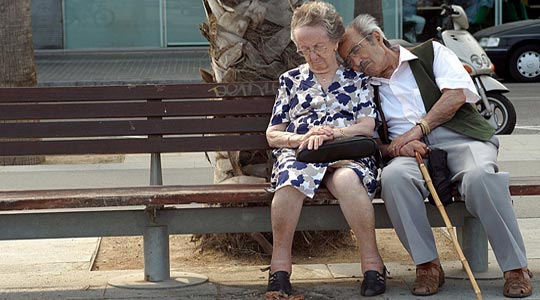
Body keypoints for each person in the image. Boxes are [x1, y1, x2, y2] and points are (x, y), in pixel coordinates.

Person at [338, 14, 532, 298]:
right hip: (408, 152)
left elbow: (457, 95)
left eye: (356, 51)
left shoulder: (430, 53)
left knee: (481, 178)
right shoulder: (362, 87)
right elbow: (371, 142)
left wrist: (420, 128)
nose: (356, 63)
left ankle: (516, 268)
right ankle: (427, 265)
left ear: (377, 38)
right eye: (349, 61)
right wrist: (395, 148)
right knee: (394, 179)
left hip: (460, 136)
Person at [265, 2, 386, 298]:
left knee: (347, 180)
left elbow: (367, 125)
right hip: (302, 154)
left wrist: (333, 133)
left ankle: (373, 265)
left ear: (335, 42)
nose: (313, 55)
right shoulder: (290, 81)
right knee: (290, 183)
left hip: (347, 152)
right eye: (304, 49)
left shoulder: (357, 80)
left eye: (319, 46)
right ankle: (279, 269)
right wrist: (302, 137)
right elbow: (273, 134)